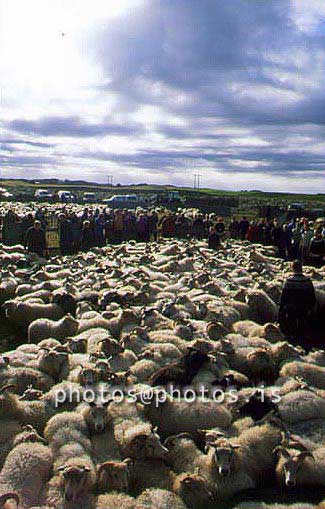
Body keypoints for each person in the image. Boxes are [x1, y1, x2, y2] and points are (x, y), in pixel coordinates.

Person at [278, 260, 316, 349]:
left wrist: (281, 309)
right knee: (303, 324)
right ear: (301, 268)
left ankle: (294, 343)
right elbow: (312, 295)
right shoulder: (307, 280)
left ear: (293, 268)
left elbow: (284, 296)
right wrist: (311, 307)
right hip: (304, 308)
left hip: (292, 308)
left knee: (292, 326)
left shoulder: (289, 281)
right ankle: (305, 343)